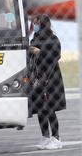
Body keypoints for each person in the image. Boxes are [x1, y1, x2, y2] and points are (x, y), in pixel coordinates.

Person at [29, 14, 66, 150]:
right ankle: (45, 136)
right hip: (37, 78)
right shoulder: (35, 38)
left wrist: (39, 52)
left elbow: (56, 56)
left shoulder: (53, 39)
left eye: (36, 23)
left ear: (43, 24)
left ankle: (56, 137)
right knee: (40, 109)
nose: (34, 26)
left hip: (51, 78)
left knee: (50, 108)